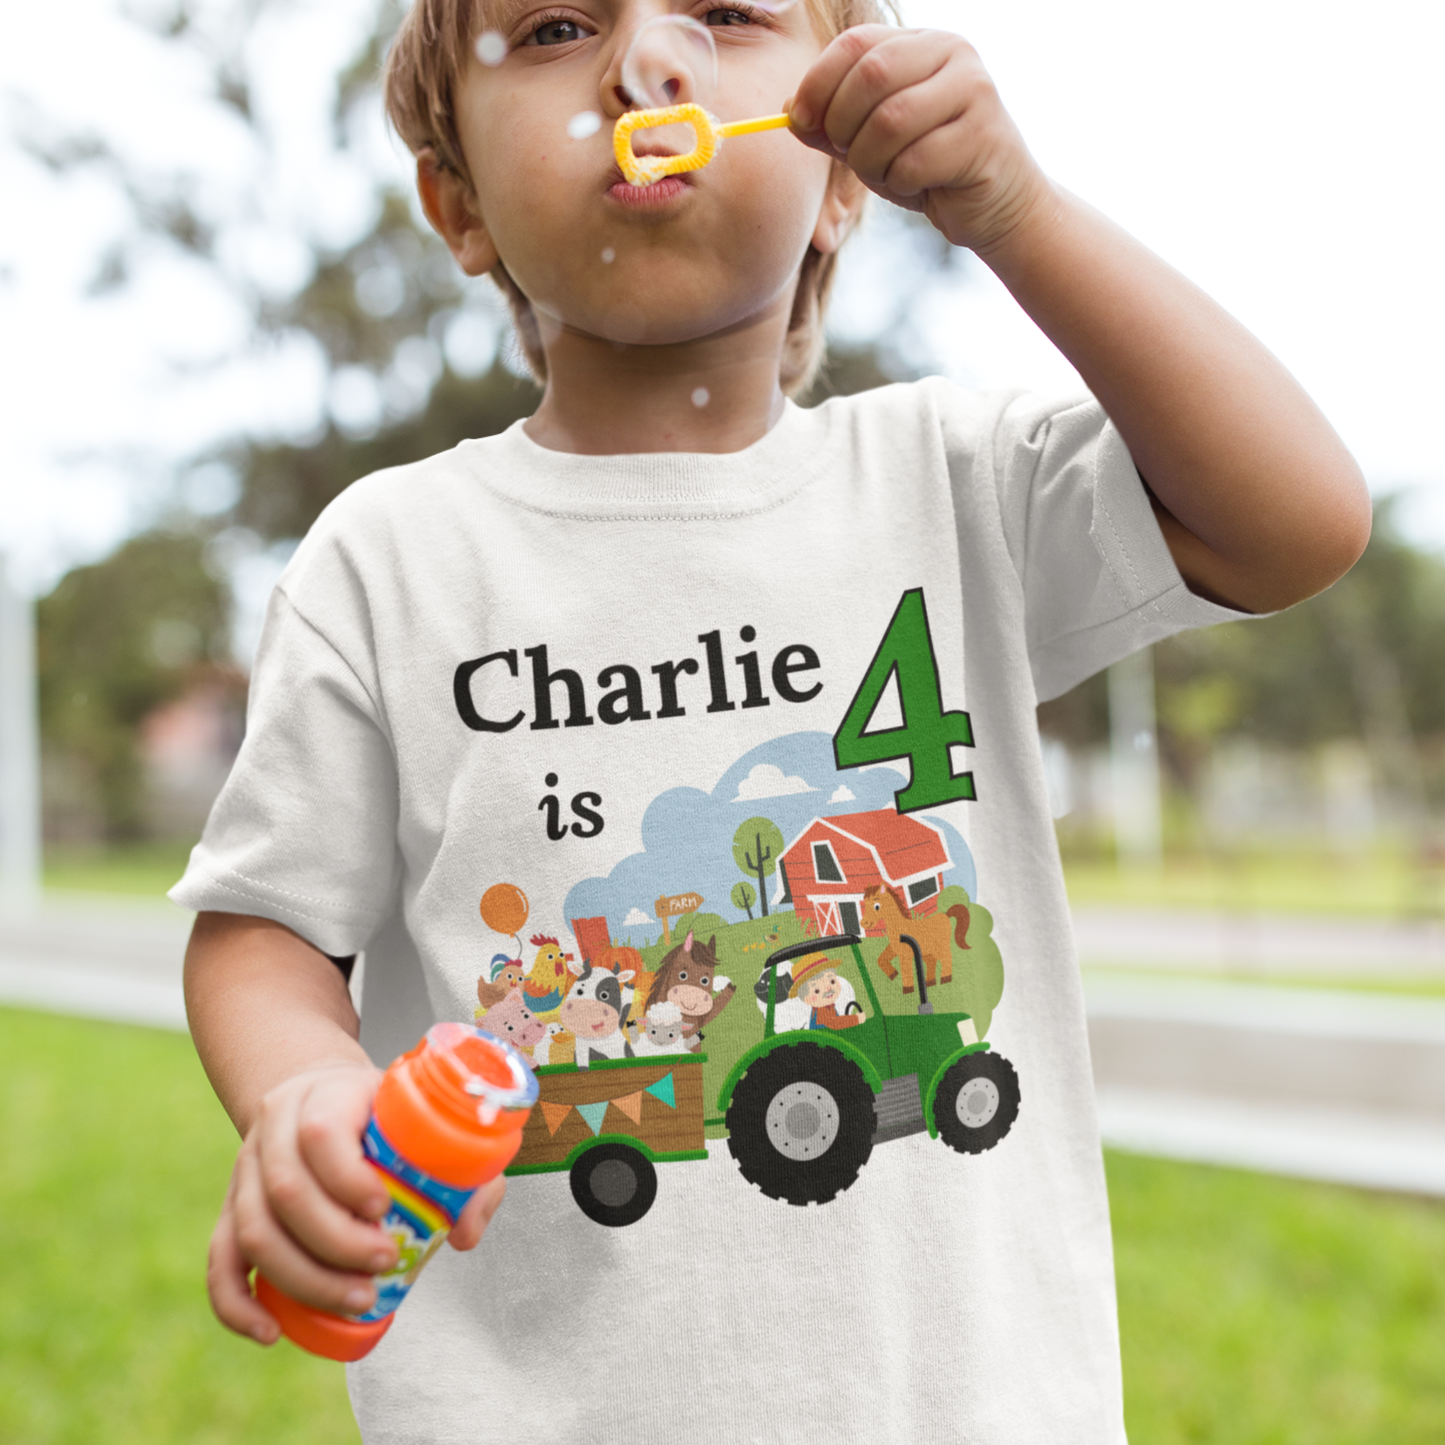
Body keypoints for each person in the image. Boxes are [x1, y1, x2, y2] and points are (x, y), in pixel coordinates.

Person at [174, 0, 1370, 1440]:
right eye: (555, 24)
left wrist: (1015, 212)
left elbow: (1295, 521)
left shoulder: (953, 483)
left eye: (728, 14)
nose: (646, 65)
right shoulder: (390, 560)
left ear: (842, 176)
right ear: (459, 205)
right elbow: (268, 923)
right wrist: (304, 1089)